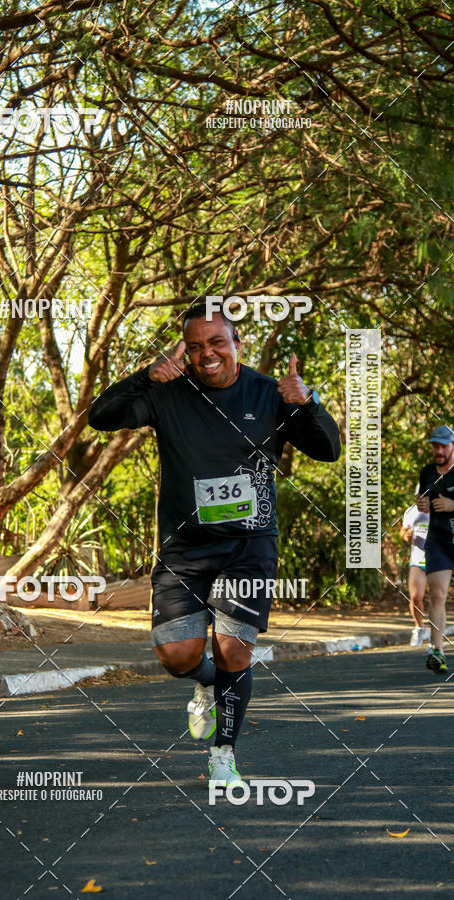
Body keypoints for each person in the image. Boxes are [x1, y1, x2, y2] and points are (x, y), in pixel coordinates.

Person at [88, 305, 341, 788]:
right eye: (196, 345)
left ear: (236, 344)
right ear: (185, 350)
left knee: (235, 651)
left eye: (217, 342)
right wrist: (145, 376)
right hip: (184, 549)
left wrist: (307, 403)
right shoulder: (167, 392)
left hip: (249, 546)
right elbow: (100, 417)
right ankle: (205, 679)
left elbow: (328, 449)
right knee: (177, 656)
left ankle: (222, 752)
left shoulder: (271, 393)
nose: (207, 353)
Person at [417, 425, 454, 674]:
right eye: (435, 446)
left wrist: (453, 505)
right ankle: (437, 650)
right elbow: (423, 501)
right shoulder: (428, 472)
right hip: (439, 541)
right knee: (438, 594)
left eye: (443, 446)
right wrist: (422, 504)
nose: (438, 450)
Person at [400, 500, 430, 646]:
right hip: (418, 561)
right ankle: (419, 627)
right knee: (415, 597)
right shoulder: (412, 511)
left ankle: (437, 639)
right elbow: (403, 531)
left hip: (440, 560)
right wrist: (407, 535)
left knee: (439, 598)